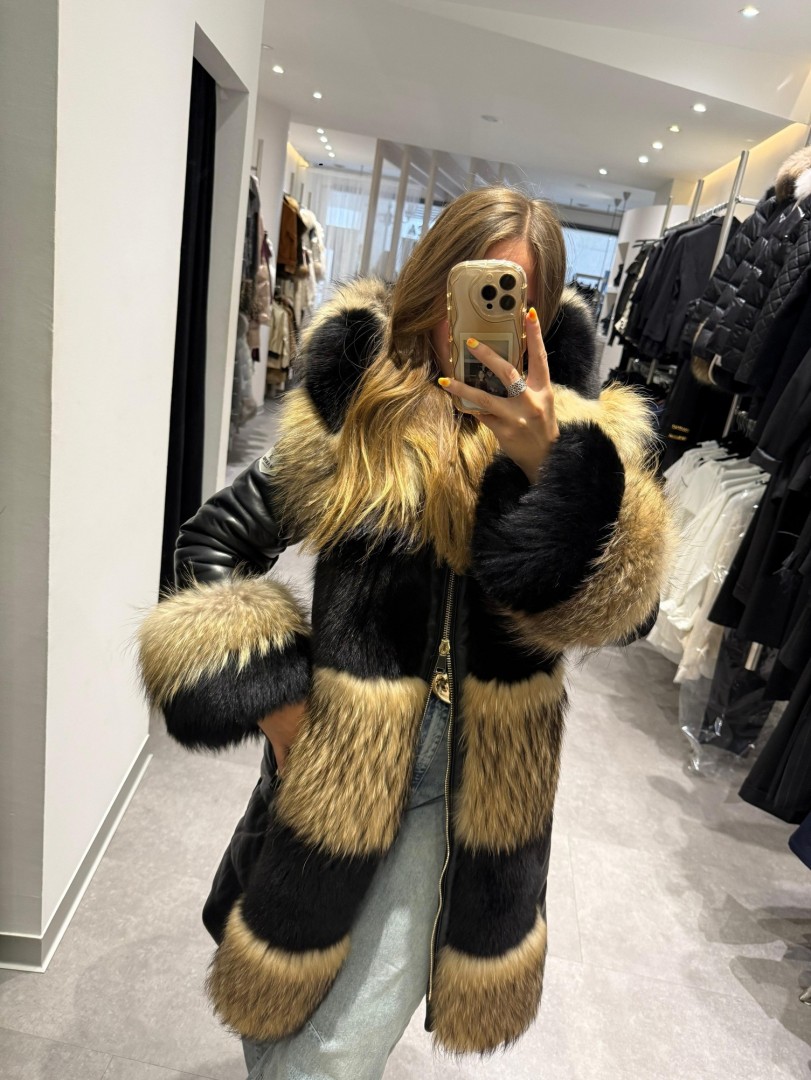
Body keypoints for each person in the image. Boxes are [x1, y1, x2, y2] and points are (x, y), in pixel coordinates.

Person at [137, 186, 672, 1079]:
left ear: (539, 313)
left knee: (329, 1054)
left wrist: (551, 474)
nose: (483, 314)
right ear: (436, 279)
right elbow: (213, 543)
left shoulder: (586, 438)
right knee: (280, 1003)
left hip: (473, 777)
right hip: (341, 752)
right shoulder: (359, 402)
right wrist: (276, 701)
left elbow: (629, 617)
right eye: (475, 283)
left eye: (514, 295)